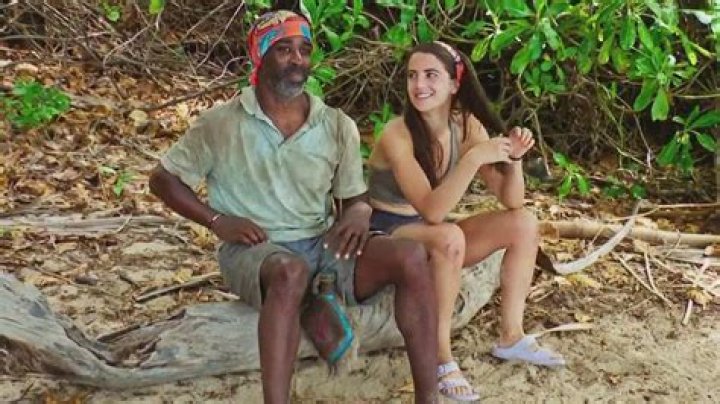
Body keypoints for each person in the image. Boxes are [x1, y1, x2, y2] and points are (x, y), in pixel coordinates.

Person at [149, 11, 439, 404]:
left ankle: (429, 397)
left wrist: (358, 213)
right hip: (254, 249)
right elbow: (162, 179)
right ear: (260, 55)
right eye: (284, 49)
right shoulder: (221, 124)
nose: (297, 59)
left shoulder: (335, 124)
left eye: (304, 49)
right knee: (290, 272)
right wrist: (216, 221)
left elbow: (354, 198)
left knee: (411, 256)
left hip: (323, 243)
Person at [367, 41, 566, 402]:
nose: (419, 85)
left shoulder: (467, 125)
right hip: (387, 233)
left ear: (454, 84)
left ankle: (511, 336)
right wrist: (472, 159)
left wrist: (515, 159)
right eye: (412, 76)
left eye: (431, 75)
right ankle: (441, 357)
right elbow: (432, 211)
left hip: (432, 228)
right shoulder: (397, 134)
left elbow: (511, 200)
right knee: (449, 236)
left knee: (524, 223)